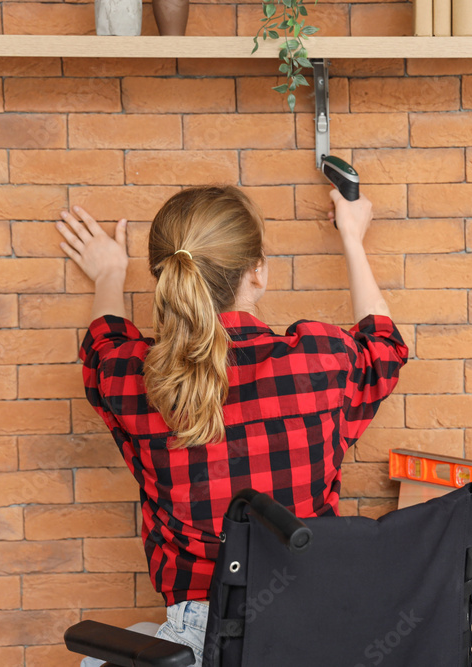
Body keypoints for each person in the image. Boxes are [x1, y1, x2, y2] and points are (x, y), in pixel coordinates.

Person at [57, 186, 408, 665]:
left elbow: (103, 348)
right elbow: (384, 345)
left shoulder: (134, 381)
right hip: (319, 635)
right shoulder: (319, 363)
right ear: (257, 271)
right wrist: (351, 236)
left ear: (164, 277)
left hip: (200, 644)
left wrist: (110, 274)